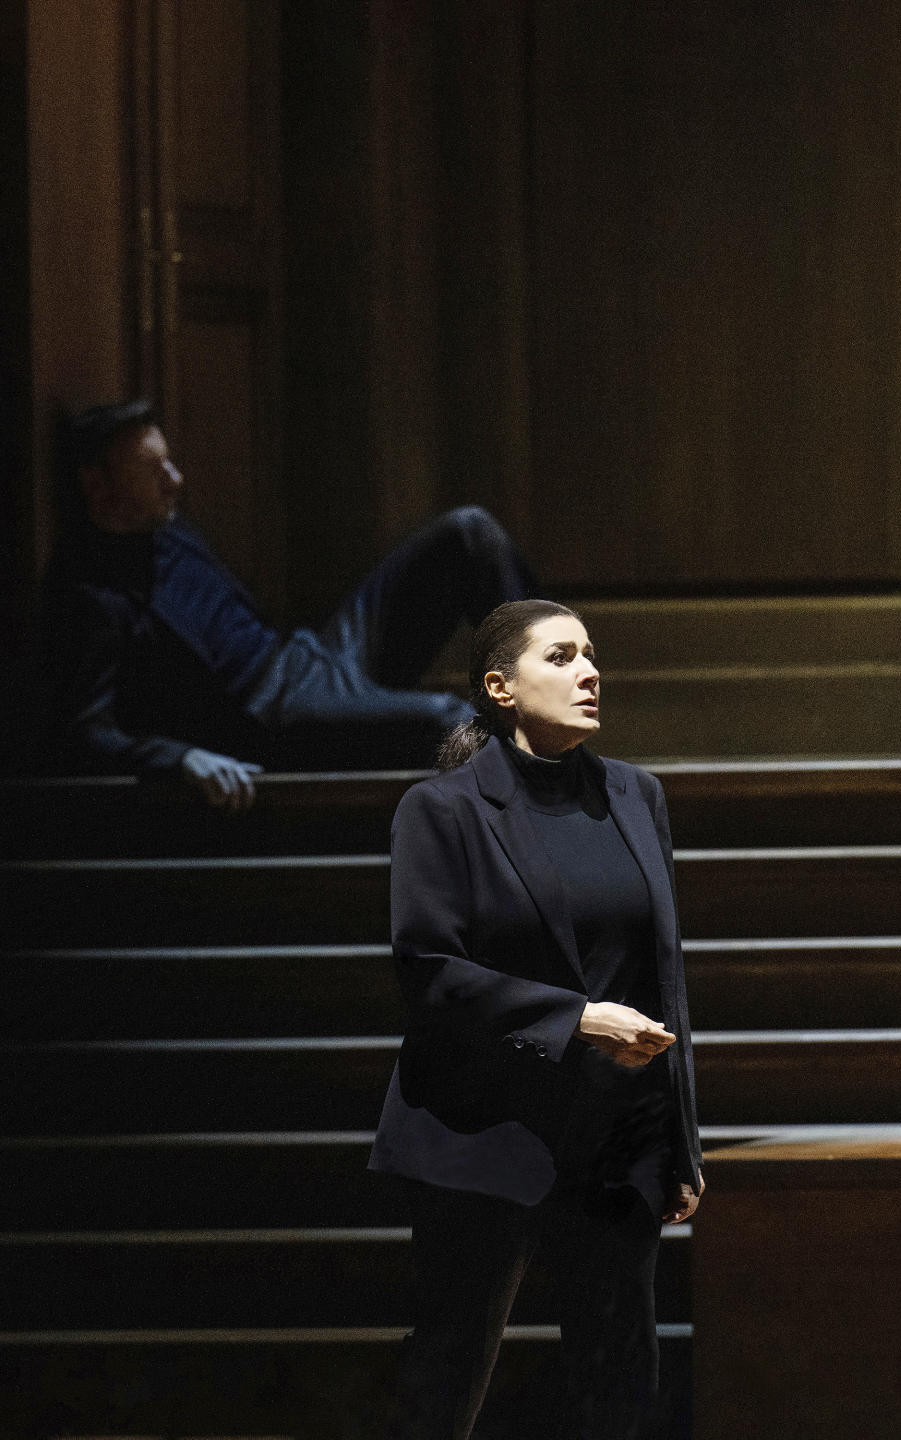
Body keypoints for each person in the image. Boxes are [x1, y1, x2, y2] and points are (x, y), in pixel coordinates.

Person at [369, 599, 704, 1440]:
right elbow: (431, 975)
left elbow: (662, 976)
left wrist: (681, 1140)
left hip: (615, 1137)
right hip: (485, 1127)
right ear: (501, 687)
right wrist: (579, 1019)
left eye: (591, 655)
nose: (590, 672)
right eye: (561, 657)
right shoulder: (440, 810)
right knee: (448, 1373)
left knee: (621, 1380)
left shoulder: (638, 796)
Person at [41, 400, 533, 807]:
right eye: (153, 471)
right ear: (97, 487)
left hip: (305, 656)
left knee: (470, 533)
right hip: (276, 714)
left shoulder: (160, 525)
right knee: (458, 724)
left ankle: (552, 692)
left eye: (168, 462)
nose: (175, 479)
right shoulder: (88, 597)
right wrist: (181, 757)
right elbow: (86, 732)